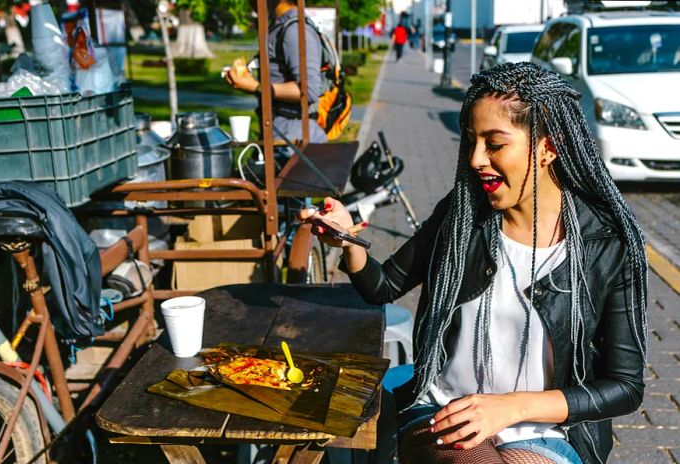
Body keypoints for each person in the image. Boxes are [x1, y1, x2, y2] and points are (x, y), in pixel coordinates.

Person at [299, 62, 647, 464]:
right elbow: (382, 287)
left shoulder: (608, 241)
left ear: (549, 147)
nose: (476, 158)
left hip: (548, 431)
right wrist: (349, 242)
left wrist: (511, 407)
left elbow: (625, 385)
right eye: (471, 142)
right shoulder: (461, 216)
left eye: (494, 143)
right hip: (442, 410)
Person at [225, 0, 327, 143]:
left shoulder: (295, 29)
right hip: (281, 138)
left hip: (294, 144)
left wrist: (256, 87)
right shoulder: (280, 26)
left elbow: (308, 90)